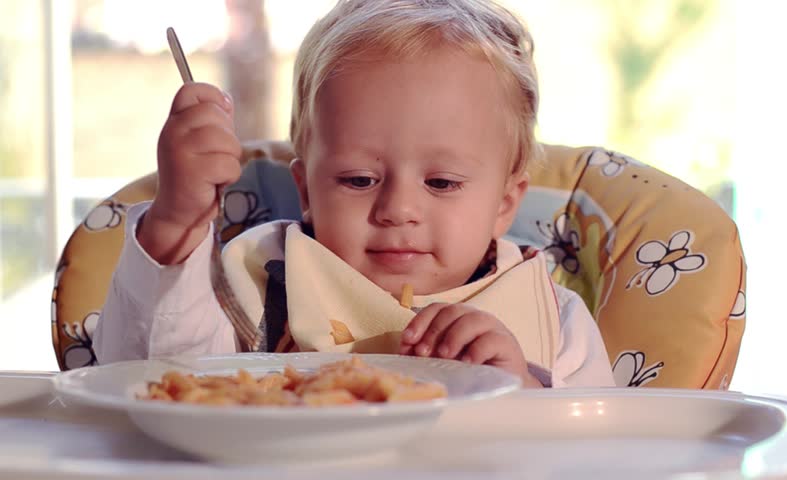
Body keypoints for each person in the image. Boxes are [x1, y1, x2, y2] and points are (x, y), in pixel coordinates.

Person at [93, 0, 615, 388]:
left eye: (442, 183)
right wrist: (173, 226)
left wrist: (520, 388)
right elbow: (150, 382)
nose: (398, 210)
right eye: (359, 180)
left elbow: (603, 451)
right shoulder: (263, 283)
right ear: (306, 190)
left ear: (505, 203)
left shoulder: (554, 318)